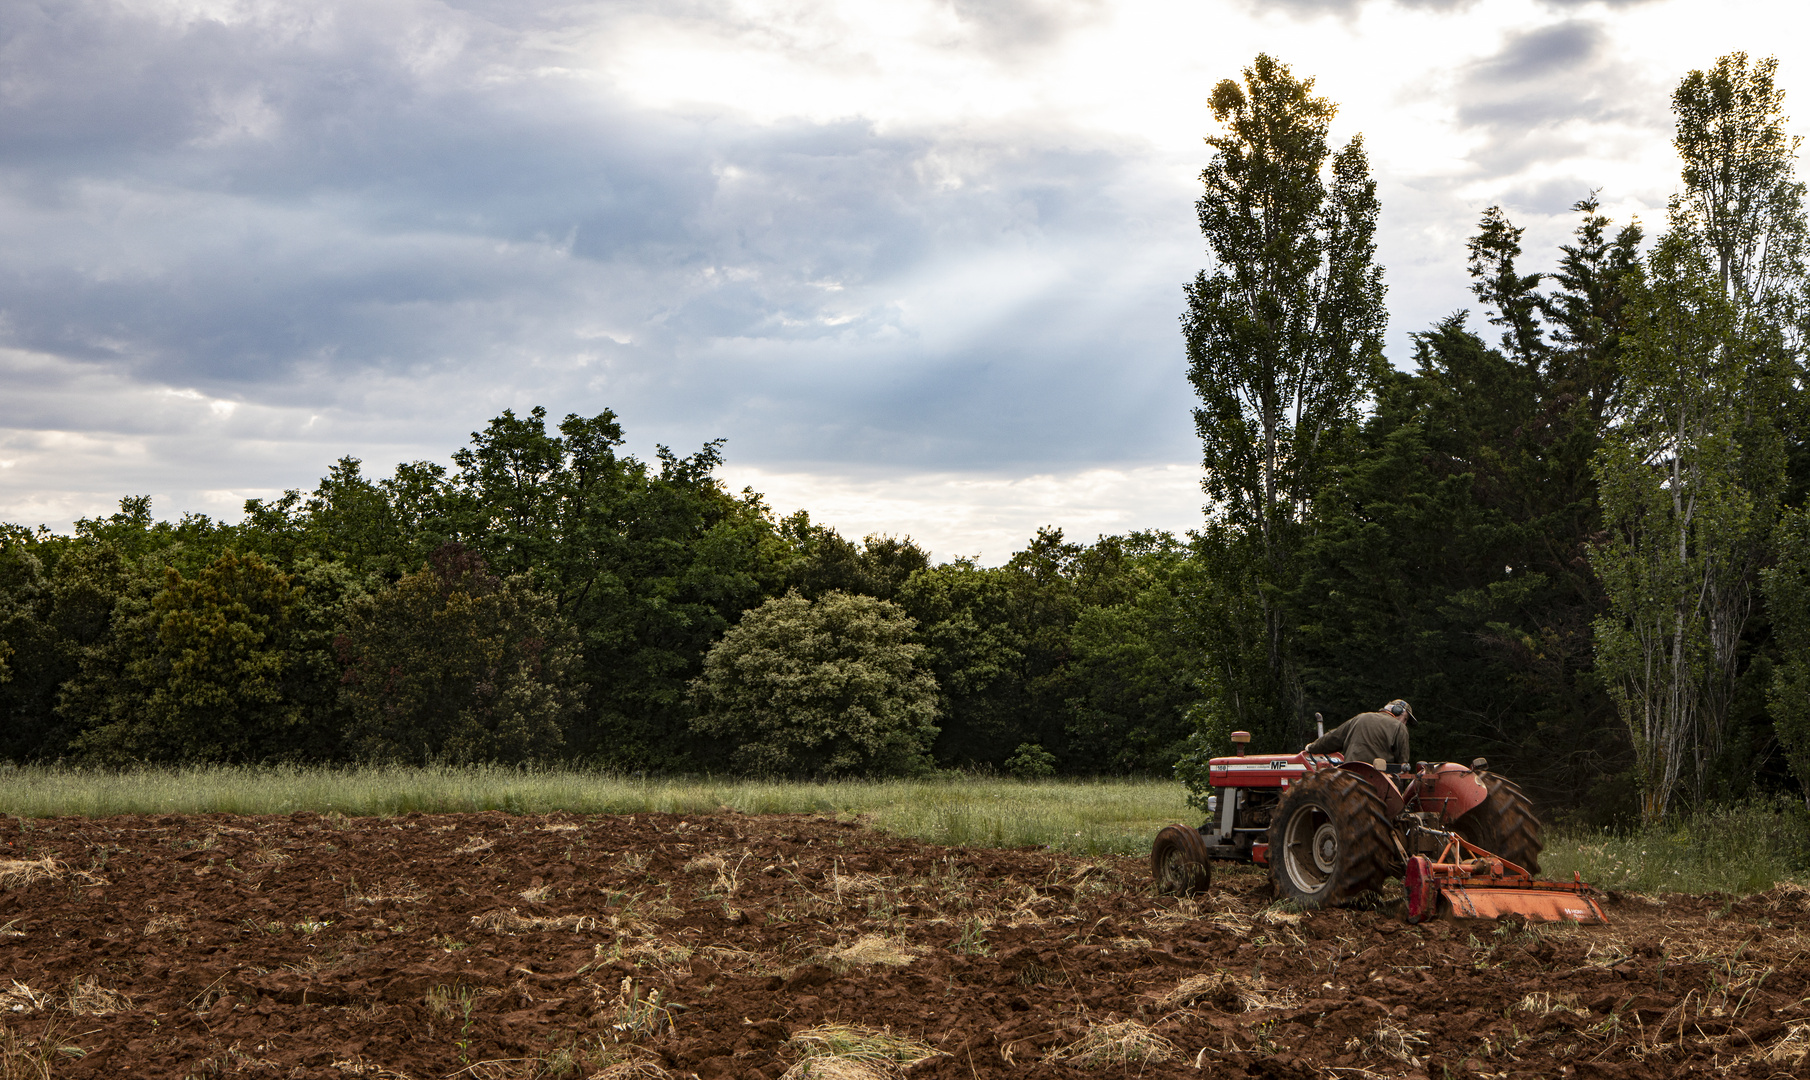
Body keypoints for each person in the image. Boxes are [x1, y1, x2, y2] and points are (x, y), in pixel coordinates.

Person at [1305, 699, 1412, 766]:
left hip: (1350, 773)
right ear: (1397, 711)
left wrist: (1312, 747)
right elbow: (1402, 762)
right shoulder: (1399, 727)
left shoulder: (1360, 718)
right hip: (1379, 779)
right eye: (1405, 719)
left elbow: (1333, 738)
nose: (1405, 723)